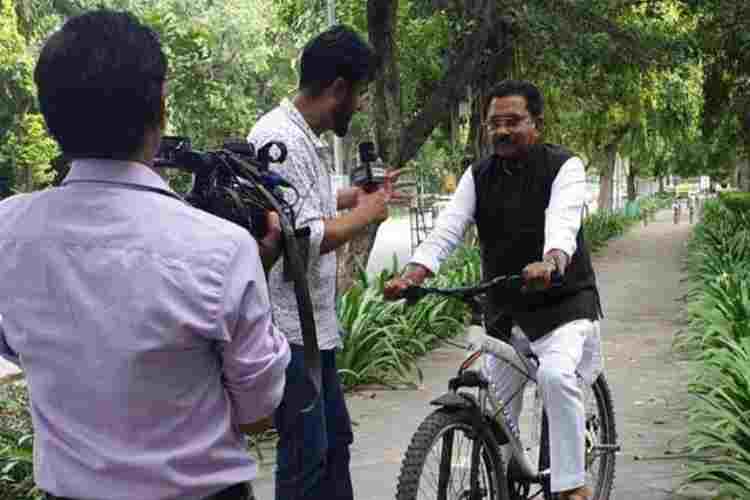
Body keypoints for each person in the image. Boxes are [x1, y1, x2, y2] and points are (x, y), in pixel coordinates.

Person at [0, 10, 290, 500]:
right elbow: (259, 413)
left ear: (48, 117)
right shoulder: (222, 250)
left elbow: (15, 344)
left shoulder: (7, 232)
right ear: (161, 106)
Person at [384, 79, 604, 500]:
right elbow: (448, 228)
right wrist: (413, 274)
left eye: (513, 121)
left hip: (562, 305)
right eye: (494, 123)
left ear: (535, 123)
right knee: (494, 409)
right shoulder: (478, 174)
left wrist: (552, 260)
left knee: (556, 377)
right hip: (505, 310)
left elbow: (563, 222)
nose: (502, 131)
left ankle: (572, 487)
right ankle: (504, 479)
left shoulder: (564, 167)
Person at [247, 24, 402, 500]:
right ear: (338, 88)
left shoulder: (299, 136)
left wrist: (351, 195)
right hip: (290, 332)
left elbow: (300, 203)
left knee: (334, 444)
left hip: (315, 329)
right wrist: (366, 213)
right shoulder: (280, 139)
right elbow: (300, 234)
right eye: (359, 94)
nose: (358, 106)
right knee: (306, 457)